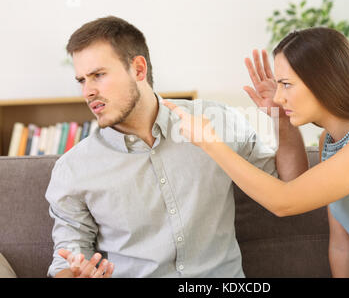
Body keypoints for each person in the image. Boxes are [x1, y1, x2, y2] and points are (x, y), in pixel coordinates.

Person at [163, 27, 349, 278]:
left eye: (286, 84)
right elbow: (342, 243)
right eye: (278, 85)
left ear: (324, 81)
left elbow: (284, 201)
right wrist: (281, 119)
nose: (278, 96)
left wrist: (211, 143)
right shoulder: (332, 141)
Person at [45, 16, 307, 278]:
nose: (87, 92)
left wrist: (282, 118)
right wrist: (73, 274)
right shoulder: (74, 169)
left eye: (98, 75)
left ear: (138, 69)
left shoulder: (216, 123)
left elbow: (291, 186)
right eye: (81, 80)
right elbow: (67, 258)